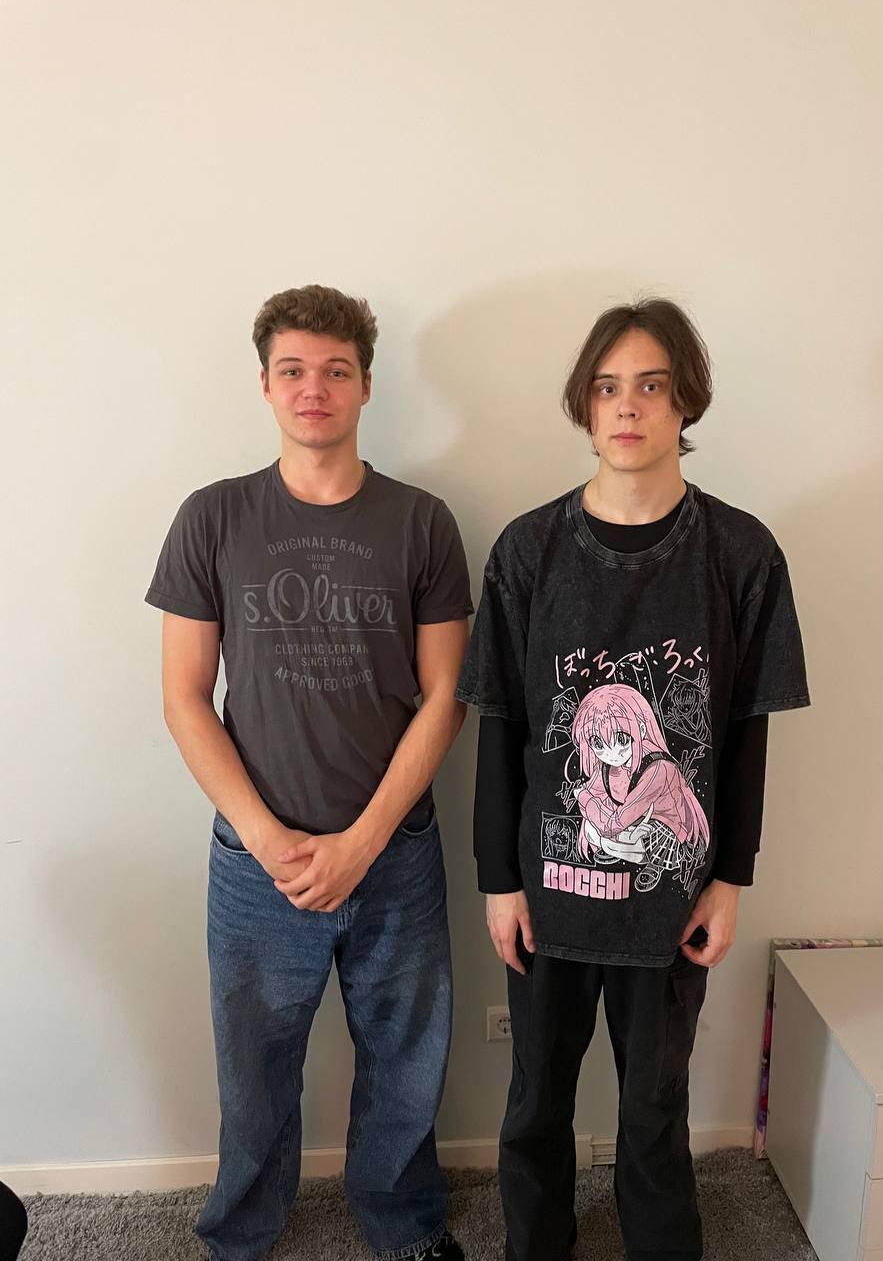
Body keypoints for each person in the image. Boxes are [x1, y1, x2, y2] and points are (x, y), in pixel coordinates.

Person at [456, 298, 809, 1261]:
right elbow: (500, 725)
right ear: (584, 404)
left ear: (685, 400)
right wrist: (498, 881)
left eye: (651, 385)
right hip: (549, 894)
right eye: (608, 387)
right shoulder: (527, 552)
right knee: (536, 1099)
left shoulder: (741, 554)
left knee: (656, 1105)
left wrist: (730, 879)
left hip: (670, 900)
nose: (627, 407)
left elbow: (746, 734)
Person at [146, 285, 472, 1261]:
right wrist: (265, 836)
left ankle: (403, 1228)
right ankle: (242, 1235)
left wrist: (362, 842)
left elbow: (446, 697)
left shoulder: (422, 522)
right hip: (257, 859)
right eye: (292, 369)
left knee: (408, 1062)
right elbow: (184, 697)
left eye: (336, 370)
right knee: (252, 1073)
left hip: (394, 850)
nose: (314, 388)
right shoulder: (212, 517)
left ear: (367, 385)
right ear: (265, 385)